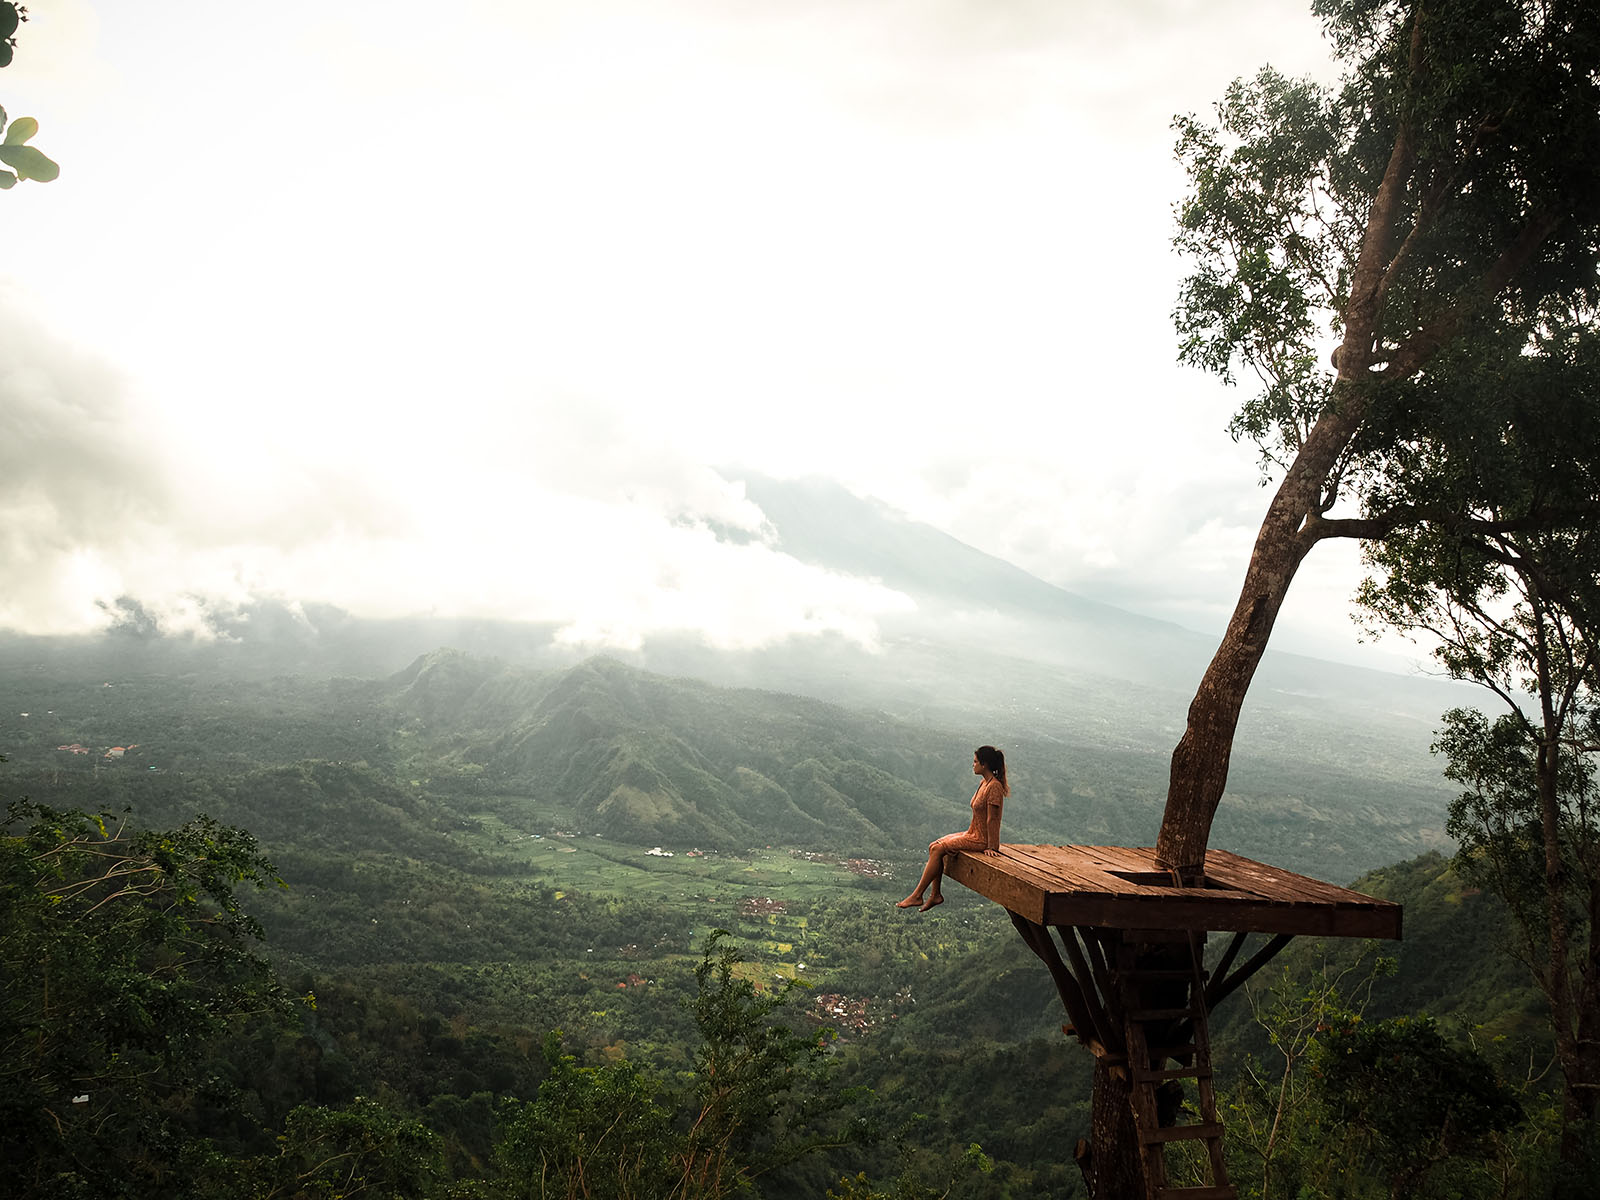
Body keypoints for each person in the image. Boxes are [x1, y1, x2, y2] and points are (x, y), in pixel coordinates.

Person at [897, 745, 1009, 912]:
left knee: (938, 849)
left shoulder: (994, 787)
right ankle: (935, 895)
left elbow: (993, 818)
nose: (973, 764)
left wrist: (992, 846)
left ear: (984, 764)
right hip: (972, 832)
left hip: (981, 839)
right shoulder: (984, 783)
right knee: (934, 846)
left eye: (975, 761)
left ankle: (918, 895)